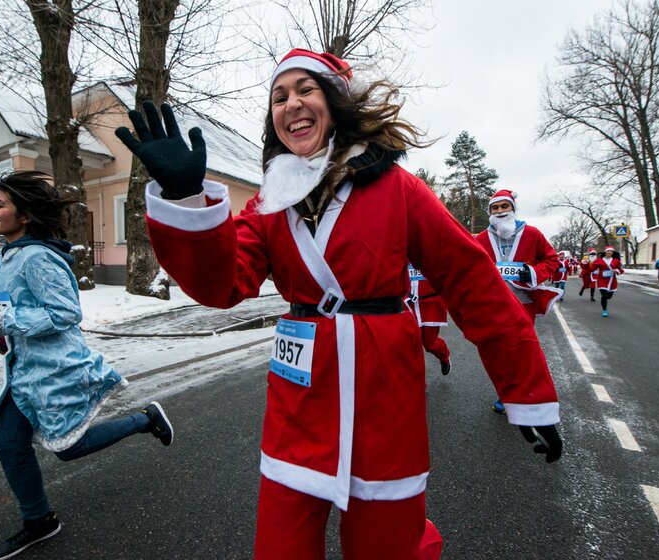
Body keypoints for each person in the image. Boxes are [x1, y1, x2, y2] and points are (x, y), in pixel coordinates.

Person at [115, 48, 562, 560]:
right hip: (296, 406)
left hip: (386, 400)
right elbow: (224, 284)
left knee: (386, 548)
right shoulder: (269, 203)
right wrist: (185, 196)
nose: (291, 104)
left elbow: (471, 280)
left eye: (306, 90)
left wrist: (526, 392)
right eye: (279, 97)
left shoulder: (399, 188)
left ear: (336, 102)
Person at [0, 171, 175, 560]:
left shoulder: (37, 257)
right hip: (23, 373)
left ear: (24, 216)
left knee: (67, 449)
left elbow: (65, 313)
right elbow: (17, 311)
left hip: (53, 372)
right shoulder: (8, 254)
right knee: (10, 446)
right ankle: (39, 520)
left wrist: (1, 320)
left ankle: (145, 418)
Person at [474, 189, 561, 414]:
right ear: (490, 212)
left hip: (524, 302)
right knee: (500, 350)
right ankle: (506, 393)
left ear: (513, 208)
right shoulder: (481, 239)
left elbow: (551, 259)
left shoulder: (532, 234)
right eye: (495, 208)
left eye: (505, 206)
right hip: (495, 304)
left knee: (521, 348)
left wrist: (533, 272)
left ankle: (528, 393)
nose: (501, 211)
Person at [405, 264, 452, 375]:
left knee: (430, 344)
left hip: (431, 303)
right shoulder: (402, 251)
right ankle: (416, 381)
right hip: (408, 303)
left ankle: (444, 357)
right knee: (411, 344)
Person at [591, 245, 624, 317]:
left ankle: (603, 298)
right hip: (601, 280)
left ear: (613, 252)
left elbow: (621, 270)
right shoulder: (599, 261)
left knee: (608, 297)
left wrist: (617, 270)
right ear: (605, 252)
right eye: (608, 251)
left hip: (612, 281)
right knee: (604, 295)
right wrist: (585, 264)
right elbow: (591, 269)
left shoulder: (616, 261)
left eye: (611, 251)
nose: (609, 252)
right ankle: (605, 310)